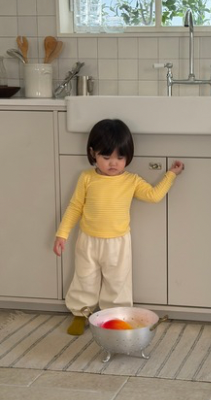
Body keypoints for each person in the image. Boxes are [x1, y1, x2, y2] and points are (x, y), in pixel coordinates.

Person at [53, 119, 184, 336]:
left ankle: (114, 316)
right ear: (93, 153)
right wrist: (62, 234)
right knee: (84, 278)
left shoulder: (131, 180)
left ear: (127, 157)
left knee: (117, 283)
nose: (113, 163)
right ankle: (80, 313)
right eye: (106, 158)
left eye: (120, 158)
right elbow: (75, 207)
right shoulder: (86, 178)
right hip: (88, 240)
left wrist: (171, 175)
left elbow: (153, 196)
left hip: (118, 243)